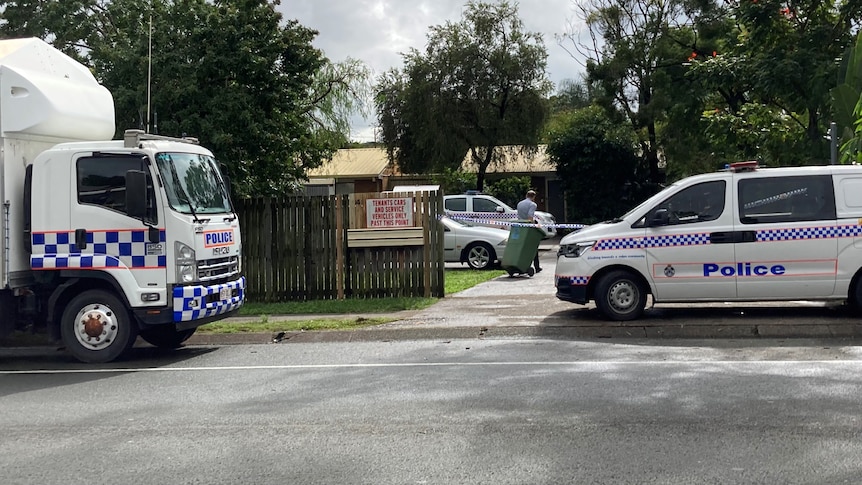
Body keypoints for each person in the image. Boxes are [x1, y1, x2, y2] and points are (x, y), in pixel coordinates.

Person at [516, 190, 542, 273]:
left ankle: (521, 265)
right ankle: (536, 267)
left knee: (523, 247)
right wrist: (534, 224)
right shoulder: (532, 204)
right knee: (533, 247)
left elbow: (519, 216)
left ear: (526, 195)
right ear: (533, 197)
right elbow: (530, 217)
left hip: (520, 227)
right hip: (528, 228)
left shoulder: (519, 203)